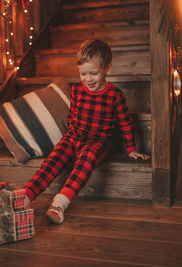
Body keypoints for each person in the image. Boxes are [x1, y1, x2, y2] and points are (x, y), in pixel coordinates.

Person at [23, 39, 150, 224]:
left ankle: (59, 204)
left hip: (96, 143)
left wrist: (131, 149)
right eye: (83, 74)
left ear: (108, 69)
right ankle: (25, 196)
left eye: (94, 73)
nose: (88, 79)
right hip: (73, 137)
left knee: (86, 160)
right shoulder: (76, 90)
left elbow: (125, 123)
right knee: (53, 160)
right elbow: (73, 117)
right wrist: (69, 146)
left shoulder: (115, 95)